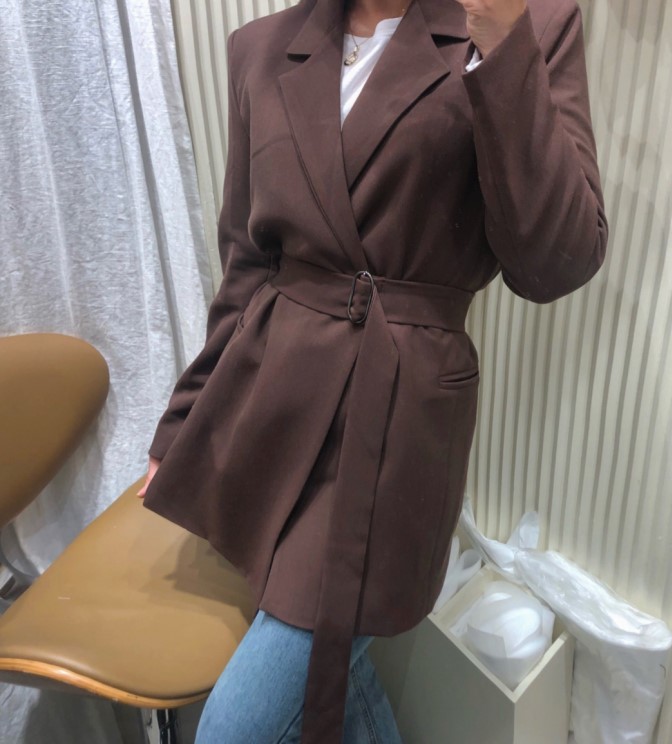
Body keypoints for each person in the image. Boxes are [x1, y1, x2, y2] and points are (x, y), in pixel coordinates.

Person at [138, 0, 609, 739]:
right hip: (271, 403)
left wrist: (503, 47)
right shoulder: (261, 48)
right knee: (335, 672)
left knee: (236, 727)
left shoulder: (528, 26)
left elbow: (559, 261)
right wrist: (185, 419)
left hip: (393, 425)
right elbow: (247, 264)